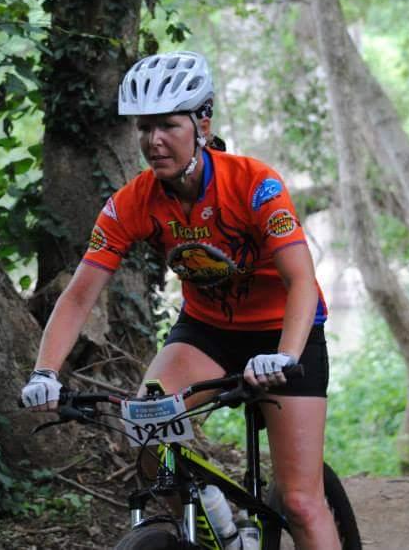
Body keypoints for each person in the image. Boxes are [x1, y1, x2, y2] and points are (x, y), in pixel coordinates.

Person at [21, 51, 339, 548]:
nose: (154, 140)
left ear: (202, 123)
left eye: (168, 125)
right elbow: (80, 294)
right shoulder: (132, 202)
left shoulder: (255, 184)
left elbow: (301, 280)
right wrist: (45, 372)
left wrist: (285, 355)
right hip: (207, 331)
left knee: (300, 501)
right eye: (145, 127)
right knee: (148, 433)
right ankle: (225, 533)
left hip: (284, 332)